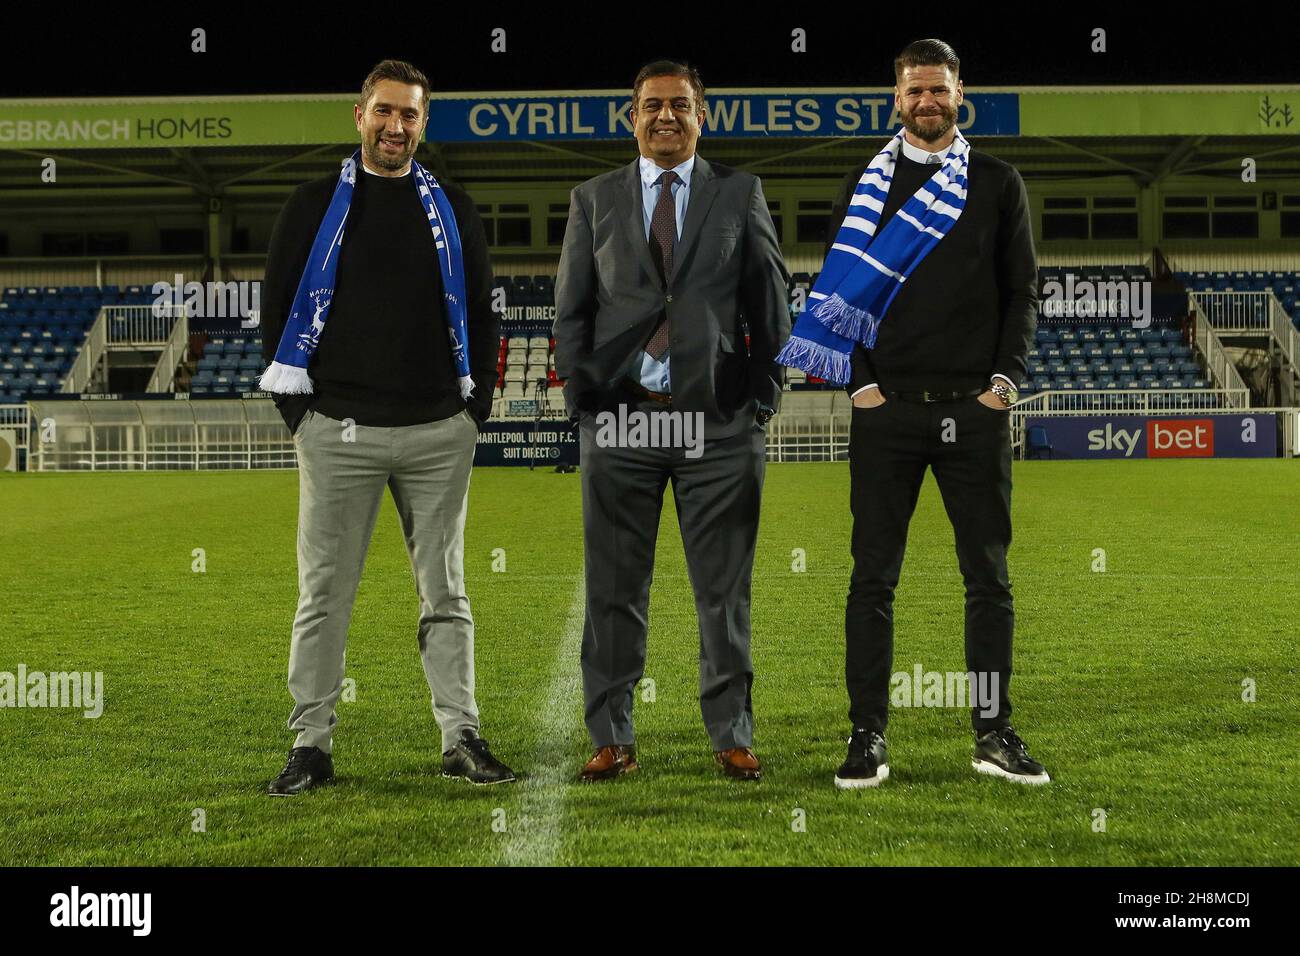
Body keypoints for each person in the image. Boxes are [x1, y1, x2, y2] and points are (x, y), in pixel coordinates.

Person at [778, 39, 1047, 788]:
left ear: (961, 94)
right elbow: (839, 294)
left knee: (988, 578)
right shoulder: (865, 183)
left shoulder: (997, 182)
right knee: (873, 579)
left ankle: (993, 733)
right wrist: (861, 386)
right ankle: (867, 735)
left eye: (938, 89)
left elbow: (1022, 291)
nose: (926, 102)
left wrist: (1004, 384)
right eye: (913, 91)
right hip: (887, 412)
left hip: (975, 411)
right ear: (895, 99)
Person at [258, 59, 514, 794]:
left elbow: (483, 308)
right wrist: (300, 415)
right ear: (360, 116)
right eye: (384, 112)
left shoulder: (453, 205)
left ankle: (461, 736)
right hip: (337, 429)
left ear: (422, 124)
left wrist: (476, 407)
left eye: (409, 116)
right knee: (324, 594)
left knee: (448, 593)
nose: (395, 127)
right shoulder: (311, 204)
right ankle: (310, 745)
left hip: (440, 431)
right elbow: (277, 310)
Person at [554, 59, 790, 782]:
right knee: (614, 588)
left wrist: (760, 402)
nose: (666, 116)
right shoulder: (593, 198)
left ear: (702, 116)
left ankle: (730, 734)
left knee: (723, 590)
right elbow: (573, 312)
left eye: (679, 105)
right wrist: (586, 403)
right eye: (652, 105)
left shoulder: (740, 193)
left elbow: (768, 305)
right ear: (631, 117)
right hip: (623, 424)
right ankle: (612, 735)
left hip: (716, 427)